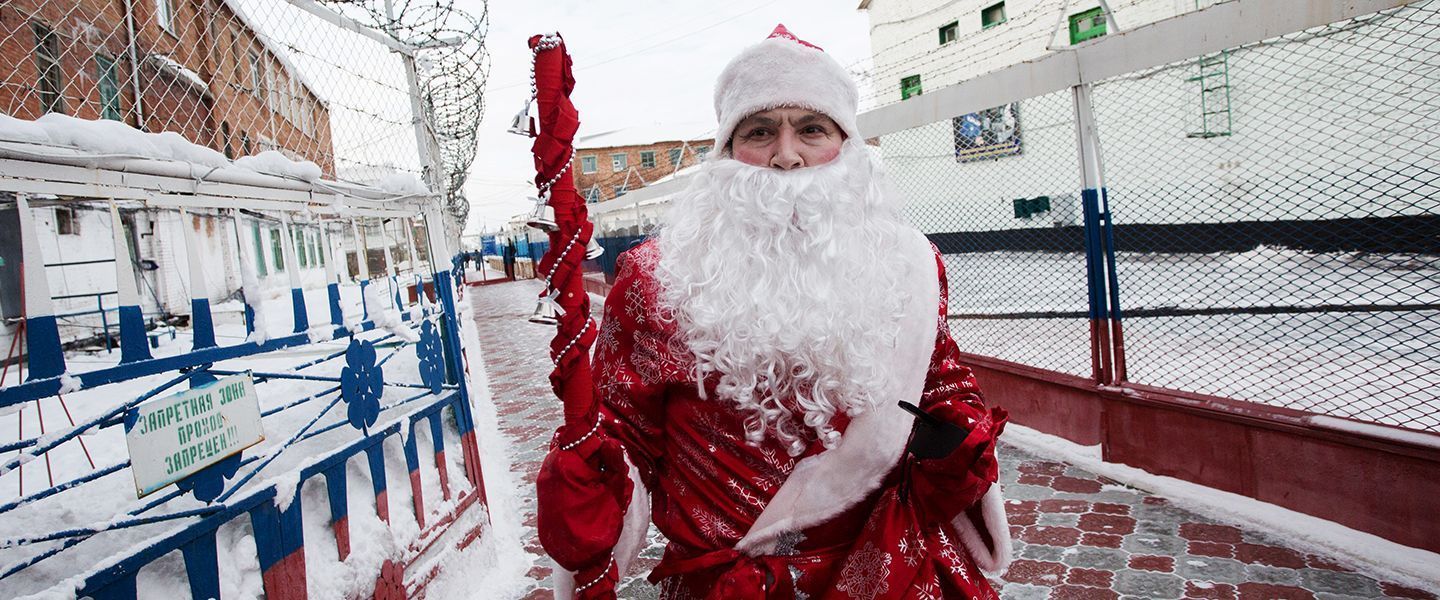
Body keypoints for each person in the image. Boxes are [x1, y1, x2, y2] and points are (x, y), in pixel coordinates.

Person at [537, 25, 1010, 599]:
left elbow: (936, 375)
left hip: (881, 567)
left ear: (847, 145)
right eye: (761, 132)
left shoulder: (907, 262)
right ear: (728, 150)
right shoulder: (656, 276)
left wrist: (958, 434)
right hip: (726, 583)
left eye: (811, 129)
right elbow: (622, 427)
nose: (787, 157)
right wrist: (594, 478)